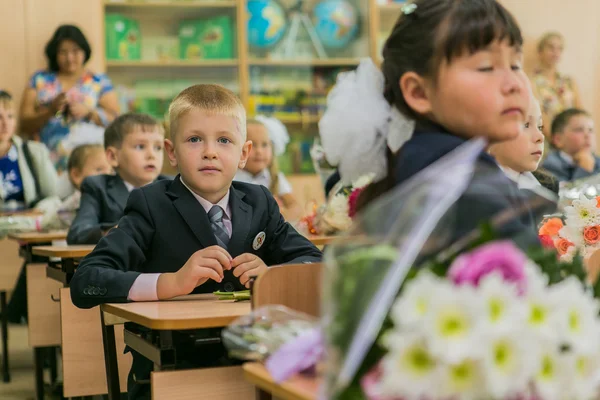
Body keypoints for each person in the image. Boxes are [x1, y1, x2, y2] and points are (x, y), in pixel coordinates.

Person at [69, 84, 322, 399]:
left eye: (224, 140)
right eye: (194, 139)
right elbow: (86, 280)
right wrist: (169, 283)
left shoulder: (259, 202)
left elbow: (313, 262)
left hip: (255, 362)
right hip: (172, 367)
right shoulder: (151, 203)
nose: (210, 151)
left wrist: (271, 274)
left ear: (243, 153)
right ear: (171, 152)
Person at [319, 0, 547, 247]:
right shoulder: (456, 182)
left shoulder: (427, 159)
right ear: (419, 93)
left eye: (515, 65)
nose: (514, 83)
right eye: (486, 67)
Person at [18, 24, 119, 194]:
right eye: (63, 52)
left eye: (75, 50)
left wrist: (89, 112)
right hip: (47, 163)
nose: (70, 57)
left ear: (84, 51)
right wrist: (50, 111)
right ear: (54, 54)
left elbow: (117, 120)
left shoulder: (98, 80)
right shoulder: (39, 79)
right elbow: (23, 123)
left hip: (90, 164)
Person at [67, 113, 166, 245]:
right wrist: (116, 231)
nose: (151, 155)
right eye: (140, 146)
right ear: (113, 156)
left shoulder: (173, 187)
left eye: (158, 148)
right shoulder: (98, 187)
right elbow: (78, 233)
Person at [0, 90, 58, 212]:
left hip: (27, 224)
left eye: (10, 116)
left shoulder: (34, 151)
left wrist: (38, 211)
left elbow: (53, 196)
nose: (5, 123)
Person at [234, 116, 302, 220]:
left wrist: (283, 215)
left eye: (265, 145)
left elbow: (295, 206)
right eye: (253, 145)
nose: (259, 151)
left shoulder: (275, 178)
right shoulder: (232, 179)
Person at [531, 32, 582, 140]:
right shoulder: (532, 83)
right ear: (540, 52)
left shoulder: (570, 82)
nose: (555, 52)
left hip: (574, 140)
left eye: (560, 48)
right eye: (551, 47)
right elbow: (539, 118)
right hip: (550, 141)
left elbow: (580, 114)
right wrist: (559, 142)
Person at [488, 96, 545, 189]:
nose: (540, 137)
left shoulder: (545, 189)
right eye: (525, 125)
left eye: (540, 127)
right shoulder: (479, 190)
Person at [542, 108, 600, 182]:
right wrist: (584, 169)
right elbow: (563, 192)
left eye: (591, 130)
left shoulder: (597, 160)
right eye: (579, 130)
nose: (588, 135)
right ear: (558, 140)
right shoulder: (550, 167)